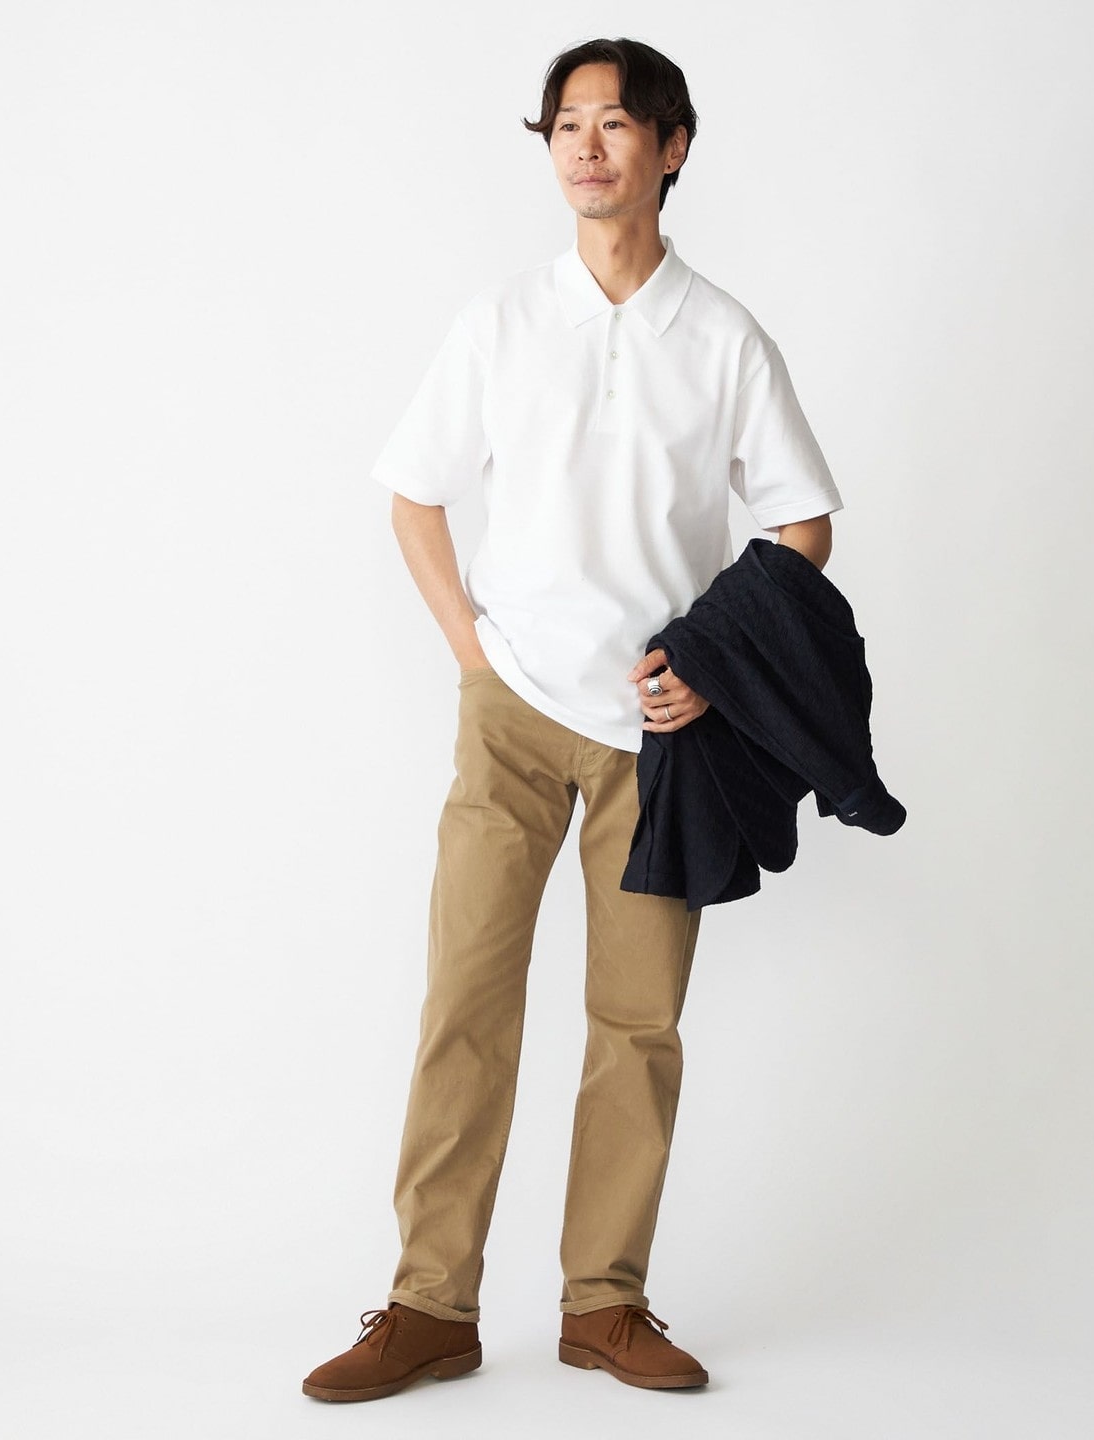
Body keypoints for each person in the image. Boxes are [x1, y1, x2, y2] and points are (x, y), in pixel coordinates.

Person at [302, 35, 842, 1403]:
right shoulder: (502, 321)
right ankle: (429, 1305)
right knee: (464, 1004)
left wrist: (716, 664)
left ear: (672, 146)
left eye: (615, 123)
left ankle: (606, 1303)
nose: (587, 147)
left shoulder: (722, 337)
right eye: (565, 126)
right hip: (511, 716)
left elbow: (803, 522)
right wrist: (473, 653)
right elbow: (414, 494)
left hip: (663, 739)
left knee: (638, 1024)